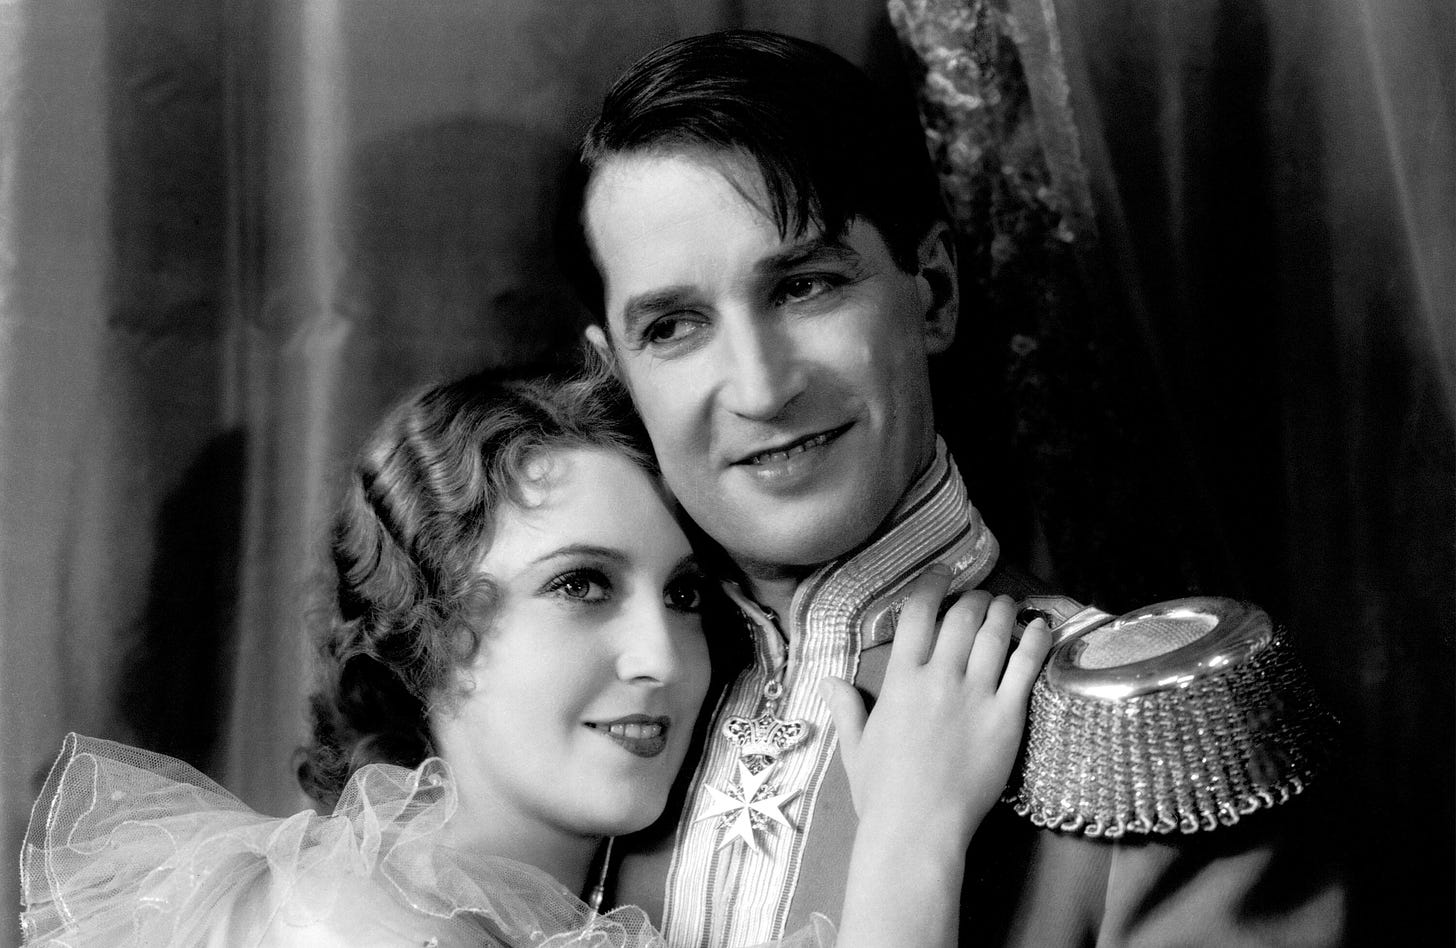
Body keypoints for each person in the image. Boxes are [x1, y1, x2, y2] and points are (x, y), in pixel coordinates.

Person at [576, 30, 1345, 947]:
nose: (760, 387)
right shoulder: (593, 723)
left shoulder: (1157, 745)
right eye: (674, 327)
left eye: (806, 286)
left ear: (933, 291)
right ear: (616, 378)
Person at [20, 370, 1052, 947]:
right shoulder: (363, 927)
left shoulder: (531, 920)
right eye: (580, 586)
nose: (663, 657)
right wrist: (910, 847)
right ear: (426, 638)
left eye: (685, 595)